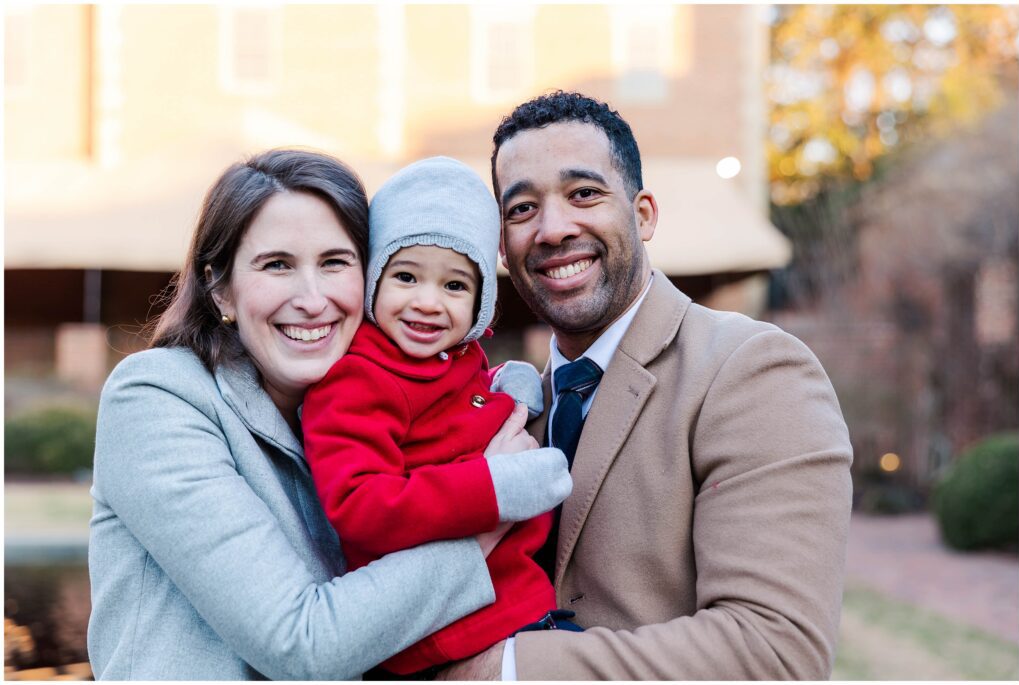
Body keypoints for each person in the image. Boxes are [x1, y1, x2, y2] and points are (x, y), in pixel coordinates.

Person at [87, 149, 571, 680]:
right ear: (219, 286)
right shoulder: (157, 396)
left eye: (334, 263)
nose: (313, 300)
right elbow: (300, 643)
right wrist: (492, 511)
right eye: (277, 265)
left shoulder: (368, 403)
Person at [438, 91, 854, 680]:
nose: (553, 229)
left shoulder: (754, 372)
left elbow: (774, 653)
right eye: (522, 208)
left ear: (643, 214)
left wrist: (501, 669)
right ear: (502, 247)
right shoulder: (506, 408)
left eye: (583, 193)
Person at [303, 156, 577, 676]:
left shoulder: (448, 356)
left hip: (512, 604)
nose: (428, 303)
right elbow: (360, 502)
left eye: (455, 287)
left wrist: (504, 387)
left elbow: (451, 416)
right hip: (446, 634)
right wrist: (495, 487)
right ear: (372, 282)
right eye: (406, 276)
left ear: (479, 303)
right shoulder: (358, 378)